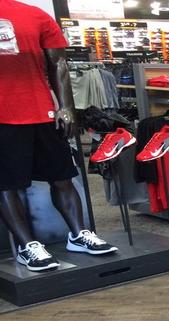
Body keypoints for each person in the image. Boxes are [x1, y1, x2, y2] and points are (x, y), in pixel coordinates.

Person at [0, 0, 117, 272]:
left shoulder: (35, 15)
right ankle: (27, 246)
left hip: (42, 112)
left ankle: (79, 234)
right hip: (3, 118)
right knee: (6, 186)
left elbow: (59, 63)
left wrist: (66, 107)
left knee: (62, 177)